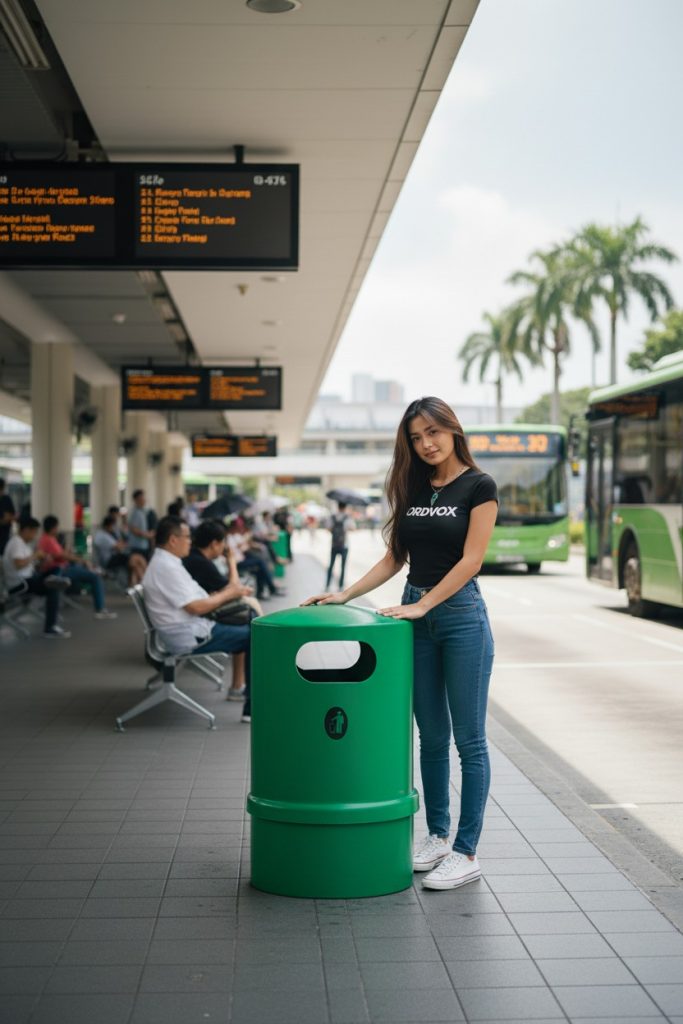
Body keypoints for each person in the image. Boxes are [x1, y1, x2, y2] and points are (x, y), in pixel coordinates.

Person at [303, 397, 497, 891]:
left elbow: (472, 560)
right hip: (417, 614)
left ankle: (466, 850)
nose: (426, 444)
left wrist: (424, 604)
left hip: (458, 617)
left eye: (433, 432)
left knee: (468, 741)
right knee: (429, 735)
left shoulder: (479, 486)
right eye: (416, 437)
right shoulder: (413, 488)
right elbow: (395, 558)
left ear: (453, 430)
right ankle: (436, 835)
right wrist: (345, 593)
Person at [142, 516, 252, 722]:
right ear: (173, 540)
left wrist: (225, 594)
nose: (190, 541)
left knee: (249, 624)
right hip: (187, 635)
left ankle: (243, 692)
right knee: (255, 636)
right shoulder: (166, 567)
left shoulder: (168, 563)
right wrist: (229, 594)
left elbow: (197, 598)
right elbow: (195, 607)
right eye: (187, 537)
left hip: (190, 628)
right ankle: (251, 707)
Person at [183, 519, 259, 701]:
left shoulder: (194, 558)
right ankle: (244, 695)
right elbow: (233, 588)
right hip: (195, 624)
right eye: (223, 542)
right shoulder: (200, 562)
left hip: (195, 618)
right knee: (250, 623)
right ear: (215, 544)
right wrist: (231, 560)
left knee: (249, 615)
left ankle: (238, 685)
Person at [2, 516, 71, 638]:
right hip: (21, 584)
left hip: (29, 578)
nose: (34, 536)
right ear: (26, 530)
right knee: (52, 588)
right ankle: (50, 628)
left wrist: (41, 560)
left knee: (55, 569)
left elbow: (27, 564)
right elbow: (19, 564)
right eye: (34, 532)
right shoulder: (16, 543)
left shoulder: (23, 543)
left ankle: (55, 579)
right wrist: (35, 556)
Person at [37, 515, 117, 619]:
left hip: (62, 568)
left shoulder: (48, 539)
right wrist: (81, 560)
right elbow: (61, 555)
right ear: (53, 527)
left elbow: (59, 554)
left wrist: (70, 554)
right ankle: (100, 608)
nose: (58, 529)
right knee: (94, 577)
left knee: (90, 573)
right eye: (57, 527)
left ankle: (97, 573)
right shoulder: (48, 540)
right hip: (60, 571)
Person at [93, 514, 146, 585]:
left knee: (135, 563)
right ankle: (144, 582)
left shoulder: (105, 534)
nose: (114, 528)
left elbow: (120, 544)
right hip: (109, 561)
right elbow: (119, 546)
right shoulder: (103, 536)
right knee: (135, 559)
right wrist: (123, 544)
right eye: (113, 526)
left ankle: (138, 583)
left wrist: (122, 544)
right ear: (107, 526)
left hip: (114, 558)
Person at [325, 501, 355, 591]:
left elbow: (328, 528)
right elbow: (353, 528)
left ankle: (327, 585)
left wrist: (335, 531)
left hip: (334, 544)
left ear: (338, 507)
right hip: (344, 545)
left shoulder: (332, 517)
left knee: (331, 565)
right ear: (345, 507)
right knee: (343, 566)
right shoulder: (348, 518)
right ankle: (340, 586)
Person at [127, 489, 155, 558]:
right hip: (137, 546)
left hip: (143, 546)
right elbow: (134, 530)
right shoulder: (135, 513)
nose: (144, 499)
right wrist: (148, 535)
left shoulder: (142, 511)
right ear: (136, 499)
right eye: (142, 497)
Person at [0, 477, 16, 555]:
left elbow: (13, 515)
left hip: (5, 533)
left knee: (4, 553)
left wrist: (7, 518)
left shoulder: (6, 499)